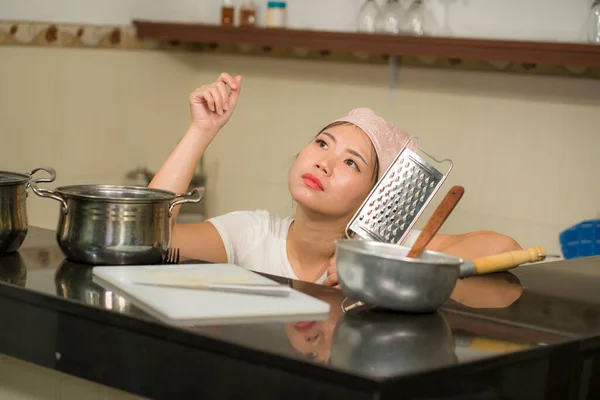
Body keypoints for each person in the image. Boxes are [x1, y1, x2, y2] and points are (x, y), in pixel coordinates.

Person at [149, 72, 522, 287]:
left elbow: (500, 246)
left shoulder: (389, 252)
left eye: (351, 163)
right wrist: (202, 130)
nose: (325, 162)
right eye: (322, 143)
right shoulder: (250, 234)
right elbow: (145, 240)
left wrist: (385, 267)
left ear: (376, 197)